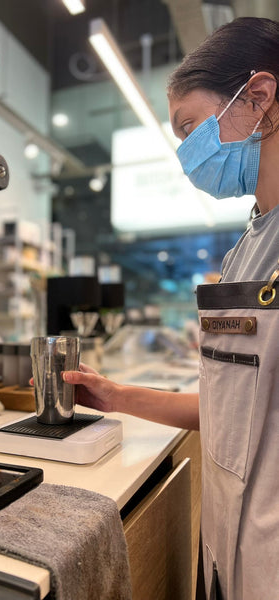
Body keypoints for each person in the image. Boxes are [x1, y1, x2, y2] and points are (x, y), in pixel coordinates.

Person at [62, 17, 279, 600]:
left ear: (258, 98)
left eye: (189, 128)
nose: (186, 153)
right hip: (232, 542)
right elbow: (237, 411)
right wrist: (117, 397)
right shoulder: (251, 246)